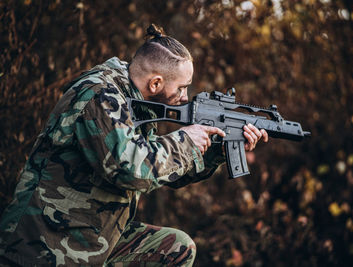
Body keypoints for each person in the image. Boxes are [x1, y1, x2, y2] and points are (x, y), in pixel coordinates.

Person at [0, 24, 268, 266]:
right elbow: (130, 168)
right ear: (155, 83)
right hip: (46, 243)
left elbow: (160, 169)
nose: (186, 96)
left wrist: (217, 152)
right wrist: (185, 141)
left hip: (94, 238)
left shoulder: (135, 100)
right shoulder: (100, 94)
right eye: (183, 88)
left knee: (176, 248)